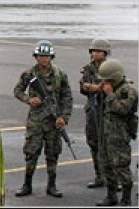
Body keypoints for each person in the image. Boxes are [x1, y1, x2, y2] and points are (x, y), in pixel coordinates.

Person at [12, 39, 74, 198]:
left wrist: (64, 118)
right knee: (31, 153)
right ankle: (27, 184)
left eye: (47, 56)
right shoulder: (29, 74)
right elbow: (18, 91)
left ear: (52, 57)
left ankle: (52, 185)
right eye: (41, 56)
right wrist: (29, 100)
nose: (44, 59)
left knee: (53, 154)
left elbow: (67, 98)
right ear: (36, 57)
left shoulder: (60, 74)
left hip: (54, 121)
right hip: (36, 121)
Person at [94, 58, 138, 207]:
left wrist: (110, 95)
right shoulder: (109, 88)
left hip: (119, 135)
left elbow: (124, 110)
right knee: (106, 164)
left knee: (121, 166)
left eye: (107, 80)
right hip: (106, 133)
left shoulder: (128, 91)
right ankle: (111, 195)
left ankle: (126, 199)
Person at [81, 39, 112, 189]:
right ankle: (99, 175)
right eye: (93, 51)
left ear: (105, 53)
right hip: (93, 109)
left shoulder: (111, 68)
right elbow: (83, 86)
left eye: (98, 51)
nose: (95, 54)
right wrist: (92, 88)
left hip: (108, 110)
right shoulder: (88, 68)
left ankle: (113, 178)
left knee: (109, 144)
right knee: (93, 142)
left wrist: (98, 88)